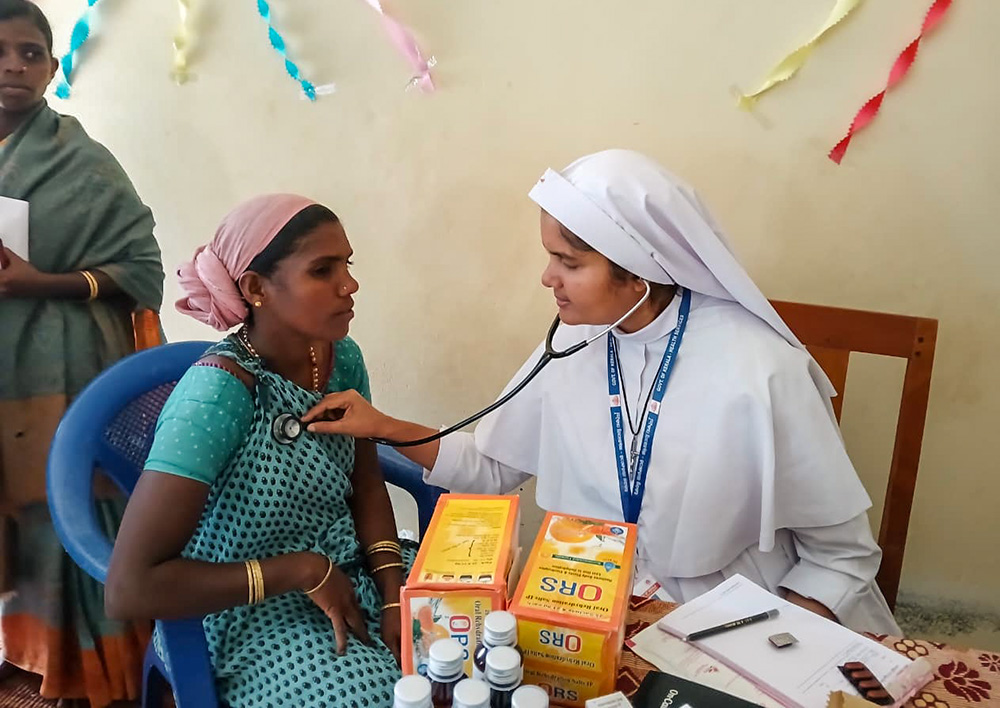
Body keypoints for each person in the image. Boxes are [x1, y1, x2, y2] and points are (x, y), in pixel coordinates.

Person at [304, 149, 901, 634]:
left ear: (637, 269)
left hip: (732, 616)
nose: (547, 278)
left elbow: (842, 556)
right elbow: (490, 470)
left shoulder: (761, 369)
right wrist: (383, 424)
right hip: (583, 601)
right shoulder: (576, 343)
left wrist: (770, 647)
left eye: (568, 261)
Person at [106, 194, 411, 708]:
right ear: (255, 288)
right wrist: (302, 571)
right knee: (373, 695)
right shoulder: (215, 396)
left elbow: (364, 483)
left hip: (346, 565)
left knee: (469, 635)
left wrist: (394, 593)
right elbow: (130, 588)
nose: (349, 285)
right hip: (242, 605)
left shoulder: (340, 358)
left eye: (347, 265)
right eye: (323, 270)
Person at [0, 1, 165, 704]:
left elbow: (142, 266)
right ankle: (25, 650)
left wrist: (43, 283)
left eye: (32, 53)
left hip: (64, 369)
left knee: (69, 514)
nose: (14, 66)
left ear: (51, 64)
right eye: (1, 51)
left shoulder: (82, 158)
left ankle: (94, 671)